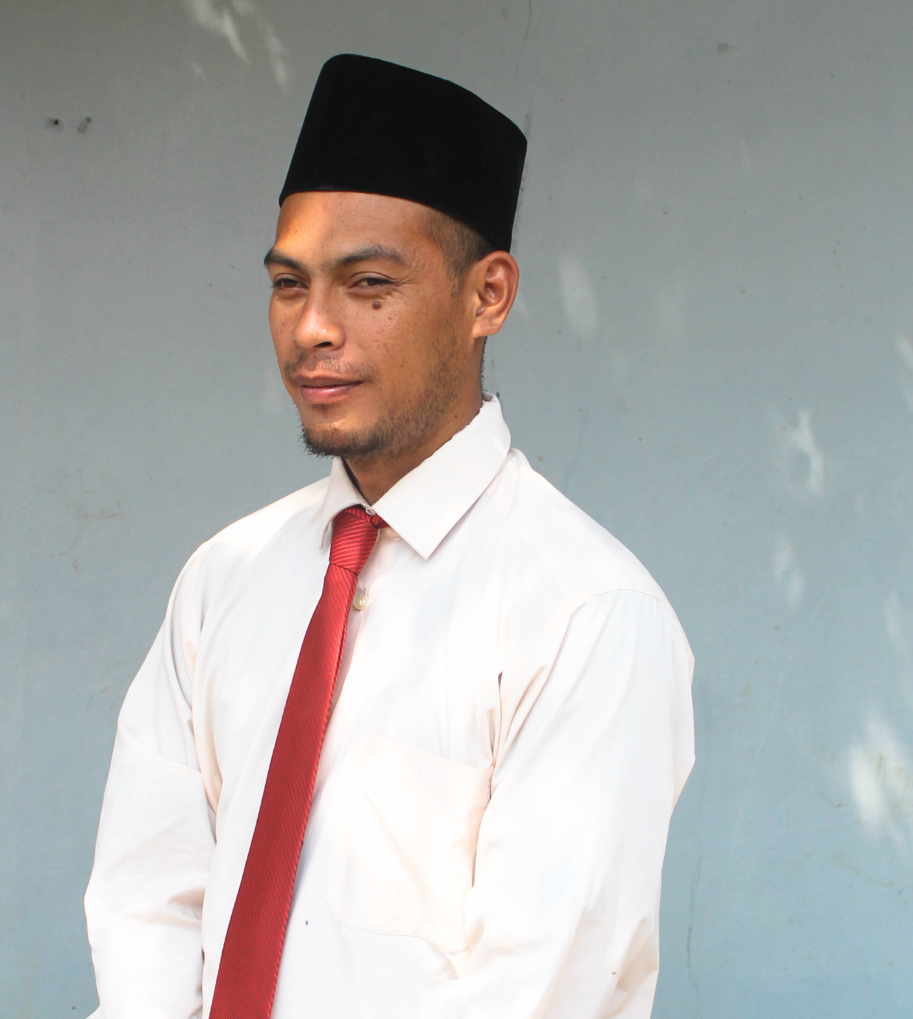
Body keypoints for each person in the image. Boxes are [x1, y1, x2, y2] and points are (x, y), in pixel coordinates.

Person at [84, 54, 695, 1019]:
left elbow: (544, 986)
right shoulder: (225, 580)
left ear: (487, 296)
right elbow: (148, 903)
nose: (312, 329)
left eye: (368, 283)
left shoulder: (581, 613)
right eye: (289, 284)